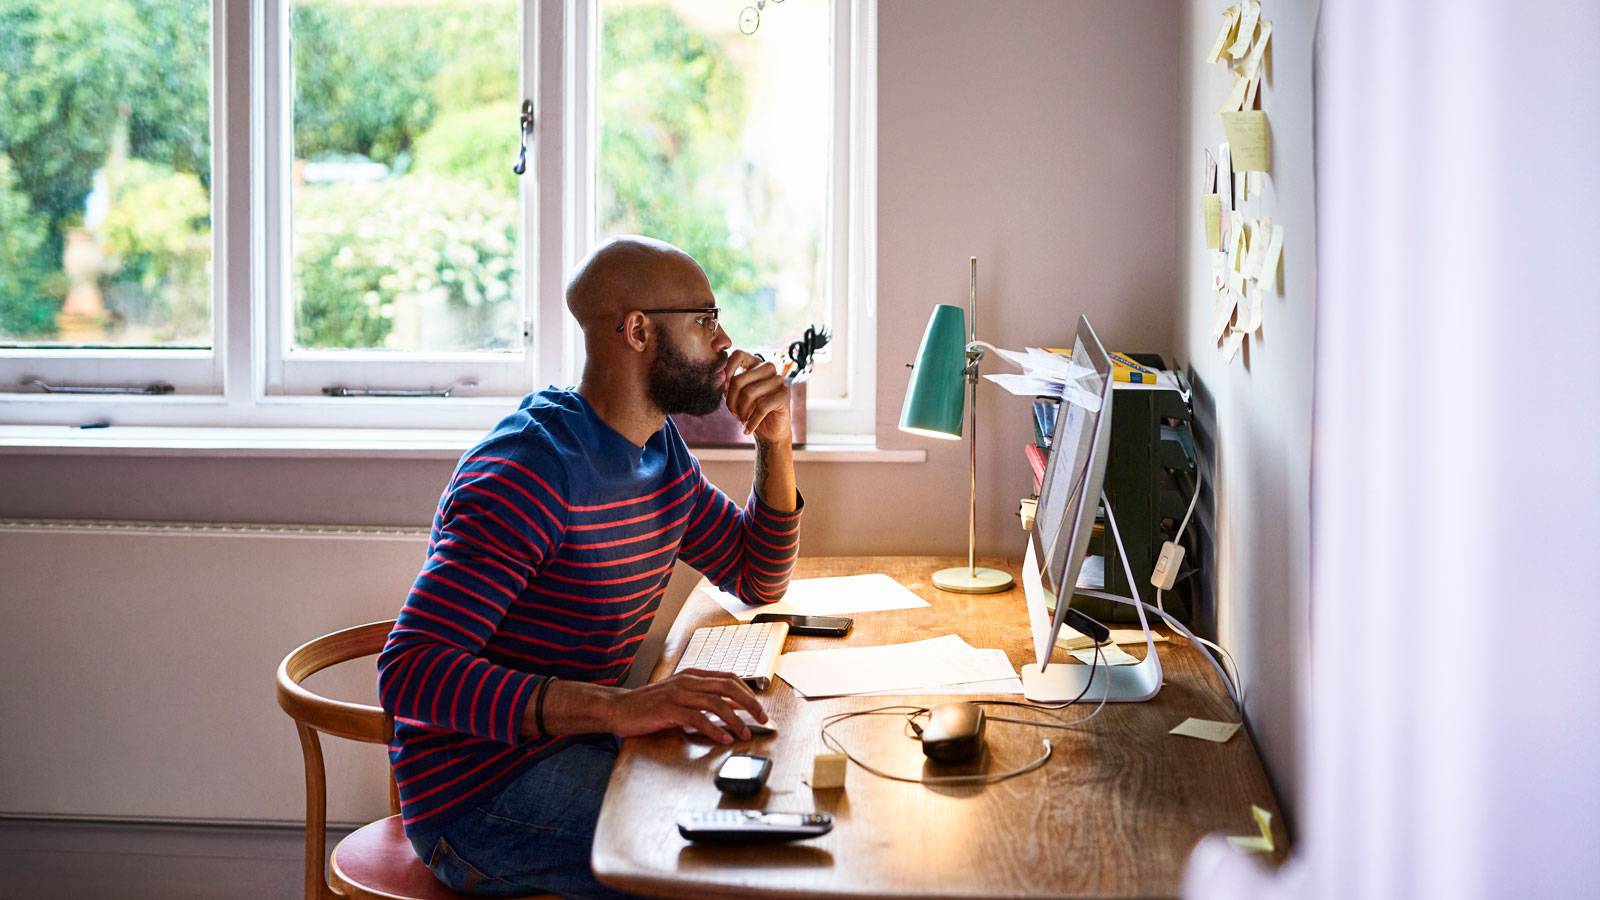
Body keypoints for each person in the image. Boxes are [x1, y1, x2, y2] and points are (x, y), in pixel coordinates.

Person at [376, 235, 802, 897]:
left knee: (768, 812)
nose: (724, 342)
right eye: (705, 319)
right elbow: (409, 671)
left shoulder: (658, 451)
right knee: (729, 865)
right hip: (480, 796)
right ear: (636, 331)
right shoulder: (529, 472)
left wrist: (775, 438)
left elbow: (756, 577)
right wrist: (624, 709)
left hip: (578, 748)